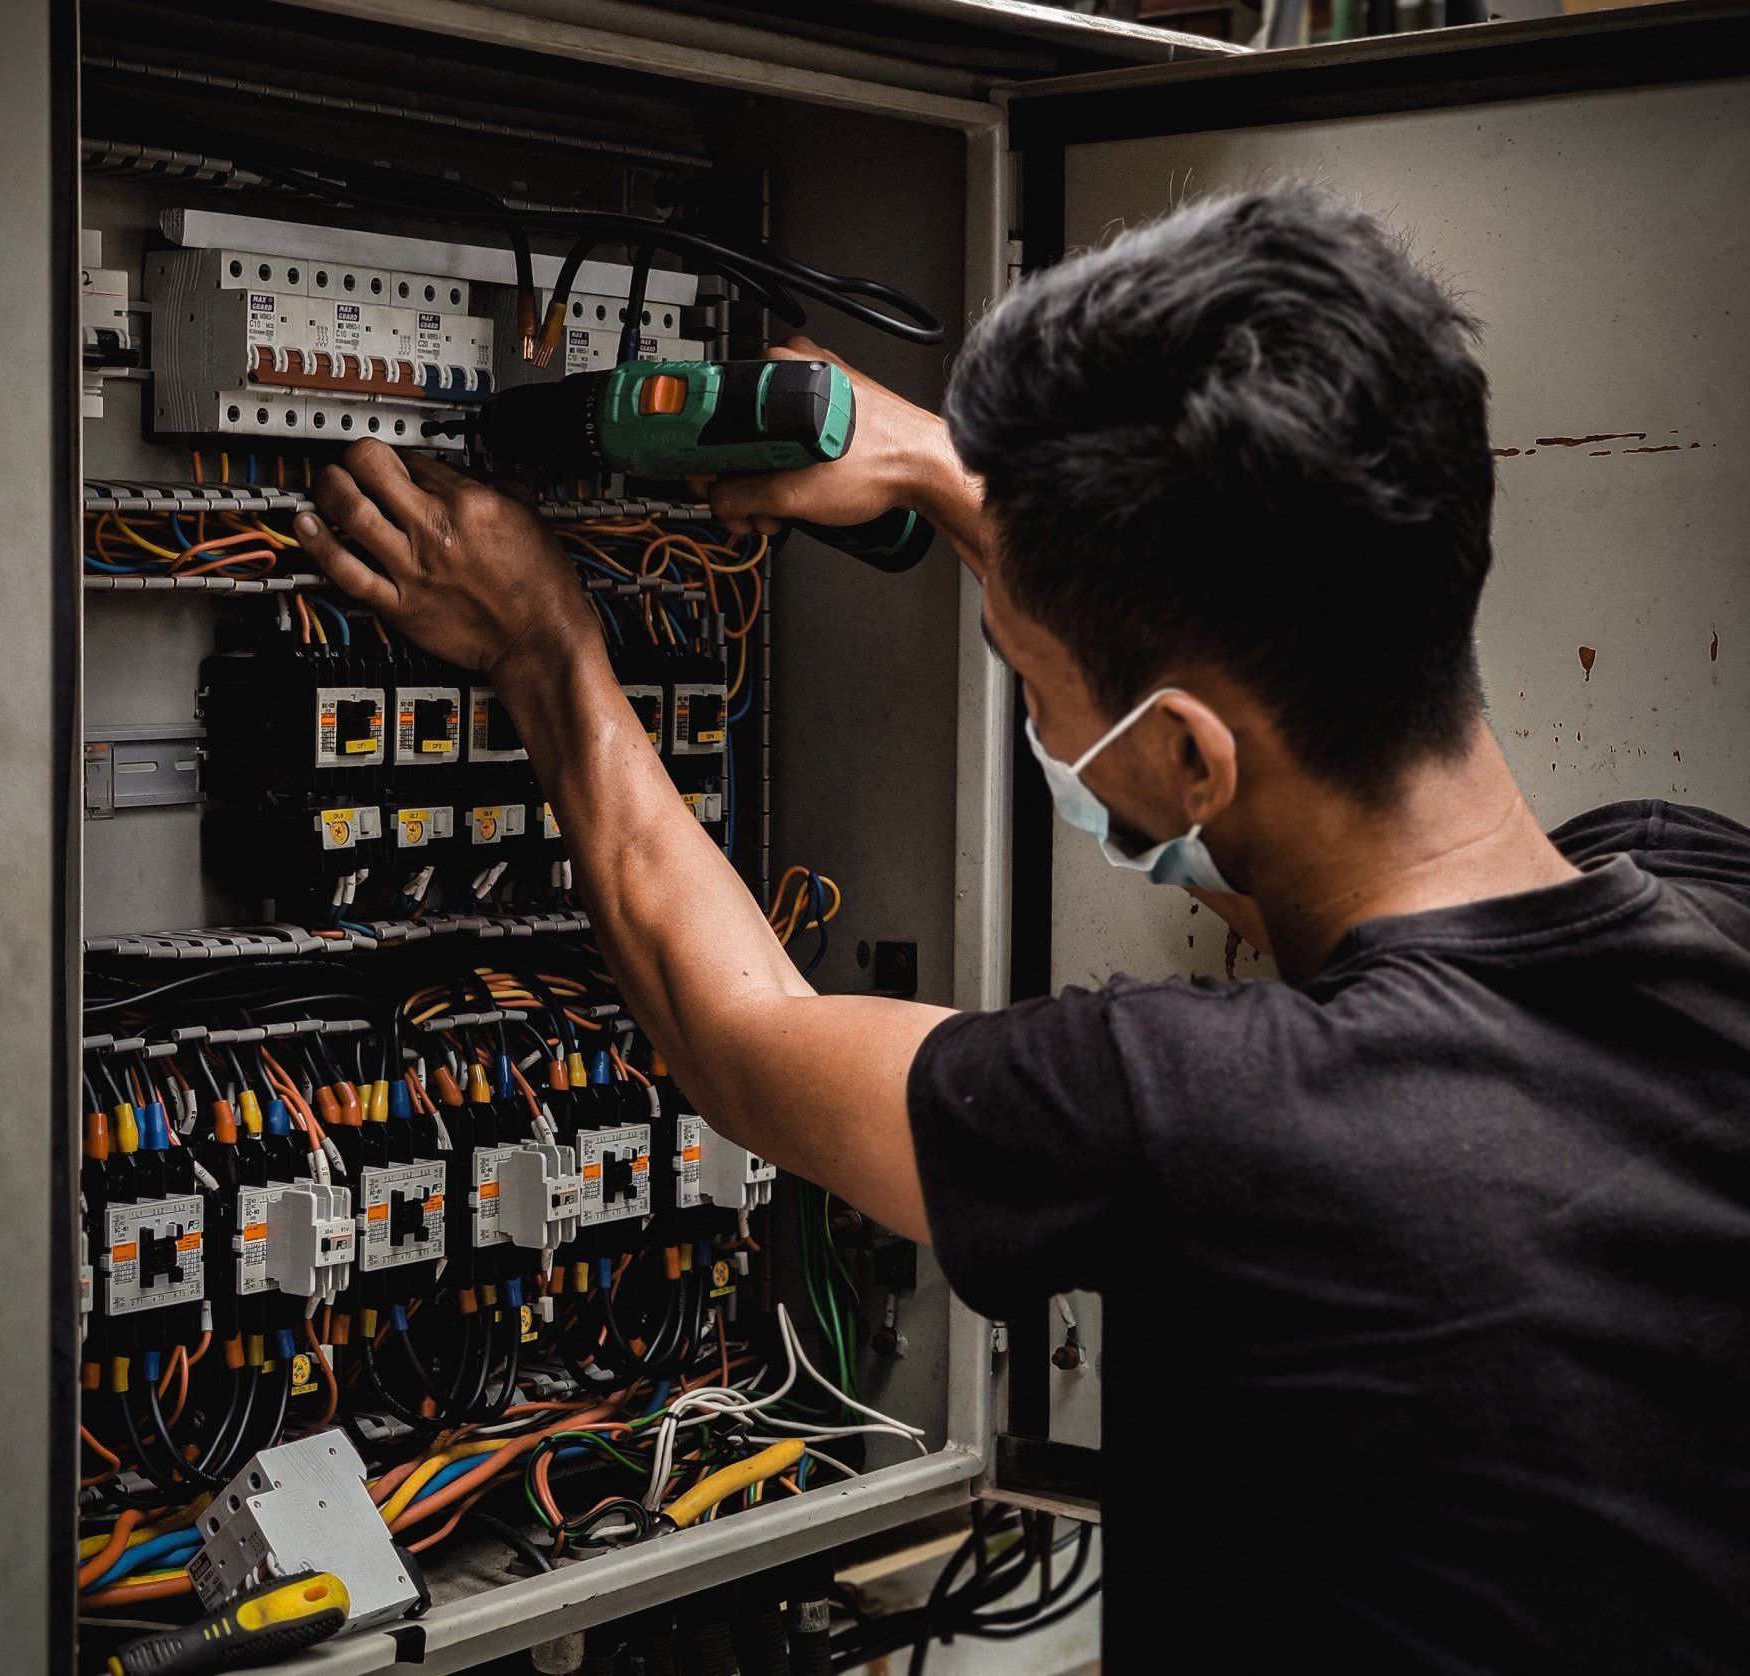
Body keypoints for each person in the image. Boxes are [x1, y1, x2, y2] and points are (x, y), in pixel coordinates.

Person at [293, 182, 1750, 1671]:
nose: (1038, 719)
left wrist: (545, 648)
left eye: (1031, 677)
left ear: (1187, 756)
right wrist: (938, 470)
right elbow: (1336, 854)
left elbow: (739, 1035)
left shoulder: (1207, 1116)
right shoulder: (1703, 891)